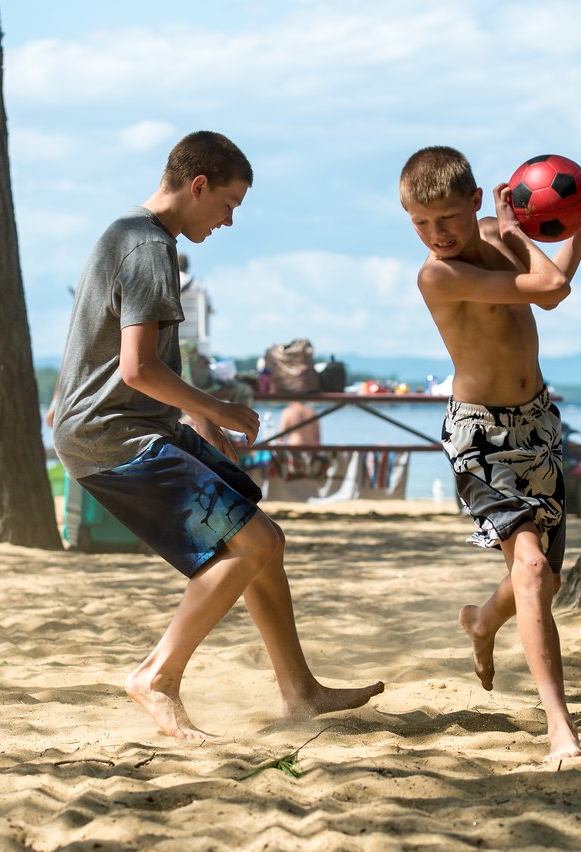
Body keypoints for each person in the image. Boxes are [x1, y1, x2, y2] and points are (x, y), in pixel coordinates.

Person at [52, 130, 383, 740]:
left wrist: (202, 428)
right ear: (197, 185)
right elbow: (136, 369)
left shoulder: (127, 233)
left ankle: (300, 691)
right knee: (250, 543)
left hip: (128, 425)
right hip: (114, 436)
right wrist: (221, 409)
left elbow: (132, 366)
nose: (229, 222)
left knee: (267, 540)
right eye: (228, 205)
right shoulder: (149, 249)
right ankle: (157, 677)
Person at [398, 146, 581, 762]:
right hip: (482, 437)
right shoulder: (437, 274)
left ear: (475, 201)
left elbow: (552, 285)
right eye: (420, 224)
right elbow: (550, 285)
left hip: (538, 426)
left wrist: (580, 229)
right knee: (534, 571)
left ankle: (483, 620)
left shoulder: (496, 235)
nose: (437, 235)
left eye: (447, 219)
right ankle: (559, 725)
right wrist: (520, 235)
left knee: (541, 578)